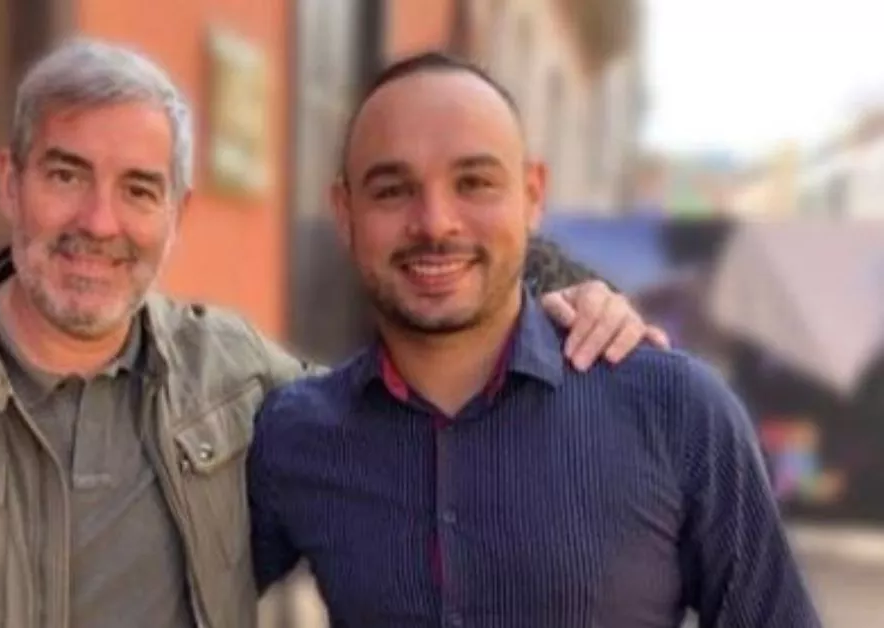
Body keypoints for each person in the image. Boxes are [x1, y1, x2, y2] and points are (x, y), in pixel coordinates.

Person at [0, 39, 667, 628]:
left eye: (139, 189)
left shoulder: (247, 386)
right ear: (9, 182)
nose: (99, 222)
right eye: (66, 174)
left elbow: (426, 388)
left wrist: (564, 293)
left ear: (176, 211)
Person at [248, 52, 821, 627]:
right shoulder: (296, 434)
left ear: (532, 194)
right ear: (345, 214)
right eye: (393, 189)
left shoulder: (677, 409)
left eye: (474, 182)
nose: (435, 222)